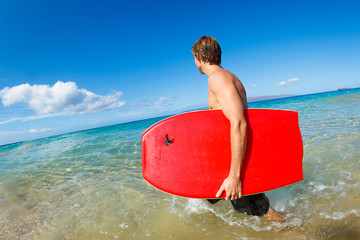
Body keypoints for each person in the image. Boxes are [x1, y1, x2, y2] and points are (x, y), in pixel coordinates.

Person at [191, 36, 284, 221]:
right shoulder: (230, 77)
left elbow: (239, 122)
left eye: (193, 58)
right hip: (232, 156)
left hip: (236, 161)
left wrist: (234, 175)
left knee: (264, 212)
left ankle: (297, 231)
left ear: (199, 57)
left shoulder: (217, 79)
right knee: (204, 196)